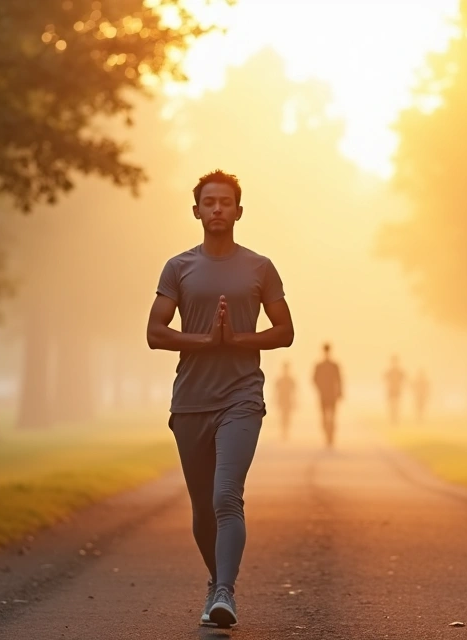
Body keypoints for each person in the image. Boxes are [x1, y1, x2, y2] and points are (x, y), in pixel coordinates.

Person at [146, 170, 294, 629]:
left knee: (227, 495)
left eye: (225, 202)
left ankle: (225, 592)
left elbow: (285, 331)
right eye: (208, 202)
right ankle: (215, 582)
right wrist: (206, 341)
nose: (216, 209)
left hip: (241, 397)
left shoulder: (259, 267)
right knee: (202, 508)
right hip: (190, 400)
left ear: (238, 211)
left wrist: (238, 338)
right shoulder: (178, 267)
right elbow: (155, 333)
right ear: (196, 211)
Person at [312, 342, 343, 448]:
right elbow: (315, 379)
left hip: (329, 395)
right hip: (327, 394)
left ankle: (330, 436)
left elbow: (339, 379)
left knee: (329, 416)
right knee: (326, 416)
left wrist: (339, 392)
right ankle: (328, 435)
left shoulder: (331, 365)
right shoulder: (323, 366)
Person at [273, 362, 296, 441]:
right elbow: (276, 391)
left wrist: (295, 400)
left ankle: (285, 431)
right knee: (283, 416)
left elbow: (294, 392)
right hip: (282, 399)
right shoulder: (281, 380)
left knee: (287, 416)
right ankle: (283, 431)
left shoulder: (290, 379)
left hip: (288, 399)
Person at [384, 355, 405, 425]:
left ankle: (396, 420)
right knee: (392, 406)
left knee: (397, 406)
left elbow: (403, 380)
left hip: (397, 391)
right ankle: (392, 420)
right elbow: (385, 379)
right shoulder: (389, 371)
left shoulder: (400, 372)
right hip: (390, 391)